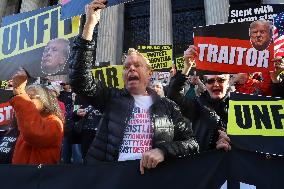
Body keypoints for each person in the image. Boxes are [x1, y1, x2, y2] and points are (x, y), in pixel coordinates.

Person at [69, 0, 198, 174]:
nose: (131, 68)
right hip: (112, 179)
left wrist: (164, 151)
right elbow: (79, 80)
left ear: (149, 73)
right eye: (127, 66)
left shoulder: (167, 106)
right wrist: (89, 26)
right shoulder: (111, 99)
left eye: (137, 65)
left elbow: (192, 143)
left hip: (152, 178)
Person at [167, 45, 231, 152]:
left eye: (221, 80)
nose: (216, 84)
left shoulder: (240, 105)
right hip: (204, 163)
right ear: (204, 84)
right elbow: (172, 96)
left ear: (228, 82)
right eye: (210, 81)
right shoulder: (197, 105)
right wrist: (186, 67)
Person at [10, 68, 64, 164]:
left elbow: (34, 133)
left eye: (30, 97)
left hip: (39, 176)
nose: (27, 100)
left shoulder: (55, 122)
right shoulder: (26, 120)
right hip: (20, 175)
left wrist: (20, 93)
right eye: (26, 96)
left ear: (45, 100)